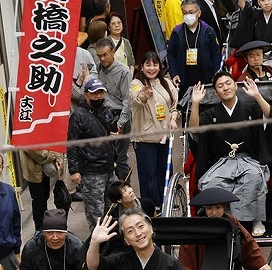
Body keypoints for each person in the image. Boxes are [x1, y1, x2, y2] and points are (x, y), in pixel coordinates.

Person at [189, 74, 272, 237]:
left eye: (228, 83)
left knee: (254, 177)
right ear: (215, 92)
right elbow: (194, 130)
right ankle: (224, 220)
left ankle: (255, 220)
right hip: (222, 161)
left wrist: (257, 95)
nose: (225, 87)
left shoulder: (250, 108)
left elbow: (270, 115)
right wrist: (195, 103)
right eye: (220, 86)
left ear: (236, 86)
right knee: (212, 181)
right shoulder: (211, 114)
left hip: (247, 159)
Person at [179, 185, 270, 270]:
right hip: (203, 265)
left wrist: (261, 264)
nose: (213, 212)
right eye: (209, 208)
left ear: (224, 207)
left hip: (226, 262)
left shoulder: (231, 222)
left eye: (217, 208)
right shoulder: (196, 225)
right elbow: (187, 251)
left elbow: (246, 241)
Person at [66, 76, 122, 227]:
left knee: (113, 207)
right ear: (85, 95)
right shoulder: (78, 116)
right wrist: (74, 170)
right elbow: (72, 144)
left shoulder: (106, 111)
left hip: (109, 169)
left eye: (100, 93)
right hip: (91, 172)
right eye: (94, 93)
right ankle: (97, 246)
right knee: (95, 213)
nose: (98, 96)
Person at [130, 51, 178, 215]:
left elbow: (174, 107)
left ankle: (167, 206)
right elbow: (136, 98)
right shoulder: (136, 83)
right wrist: (144, 95)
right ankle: (152, 210)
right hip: (145, 140)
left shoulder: (166, 83)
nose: (152, 68)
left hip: (165, 137)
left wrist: (173, 118)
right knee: (148, 177)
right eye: (148, 64)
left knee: (165, 173)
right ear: (141, 66)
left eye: (155, 64)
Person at [166, 0, 222, 93]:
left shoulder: (208, 31)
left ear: (199, 13)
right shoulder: (177, 32)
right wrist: (174, 73)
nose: (188, 16)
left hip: (205, 79)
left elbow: (216, 54)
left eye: (191, 12)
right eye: (185, 13)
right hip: (184, 79)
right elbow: (171, 54)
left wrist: (215, 75)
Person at [19, 148, 62, 232]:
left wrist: (57, 157)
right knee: (38, 200)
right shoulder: (27, 137)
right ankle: (39, 228)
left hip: (44, 171)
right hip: (33, 172)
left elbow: (51, 143)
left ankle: (45, 223)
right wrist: (52, 155)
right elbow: (37, 154)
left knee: (45, 196)